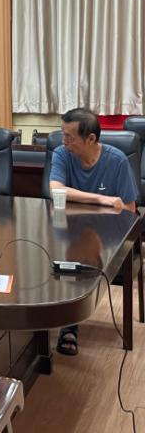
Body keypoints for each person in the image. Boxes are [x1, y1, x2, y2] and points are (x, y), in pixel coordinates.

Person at [49, 107, 138, 357]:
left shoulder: (117, 160)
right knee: (48, 258)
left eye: (69, 137)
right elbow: (56, 190)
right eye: (62, 134)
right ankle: (52, 324)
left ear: (90, 139)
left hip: (105, 236)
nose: (64, 141)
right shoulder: (62, 154)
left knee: (80, 264)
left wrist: (104, 208)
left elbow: (129, 208)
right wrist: (102, 199)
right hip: (68, 230)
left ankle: (70, 325)